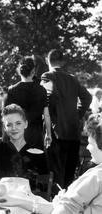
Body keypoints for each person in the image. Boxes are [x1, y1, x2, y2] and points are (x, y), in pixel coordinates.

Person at [0, 113, 102, 214]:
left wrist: (64, 202)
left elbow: (65, 209)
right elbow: (60, 207)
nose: (87, 147)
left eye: (90, 143)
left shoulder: (97, 176)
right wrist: (17, 201)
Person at [0, 79, 48, 182]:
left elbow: (45, 187)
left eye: (18, 123)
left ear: (26, 124)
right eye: (9, 125)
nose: (14, 128)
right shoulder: (0, 150)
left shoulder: (38, 154)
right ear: (5, 128)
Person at [41, 49, 92, 189]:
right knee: (69, 176)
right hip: (73, 131)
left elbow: (47, 98)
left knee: (55, 175)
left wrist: (49, 116)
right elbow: (87, 97)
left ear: (47, 61)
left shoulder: (47, 76)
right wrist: (77, 115)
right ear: (62, 62)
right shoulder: (73, 79)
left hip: (56, 131)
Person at [5, 56, 52, 149]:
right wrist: (48, 134)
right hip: (36, 134)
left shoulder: (12, 90)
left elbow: (7, 115)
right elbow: (46, 115)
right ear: (33, 71)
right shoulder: (41, 90)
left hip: (18, 132)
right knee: (36, 161)